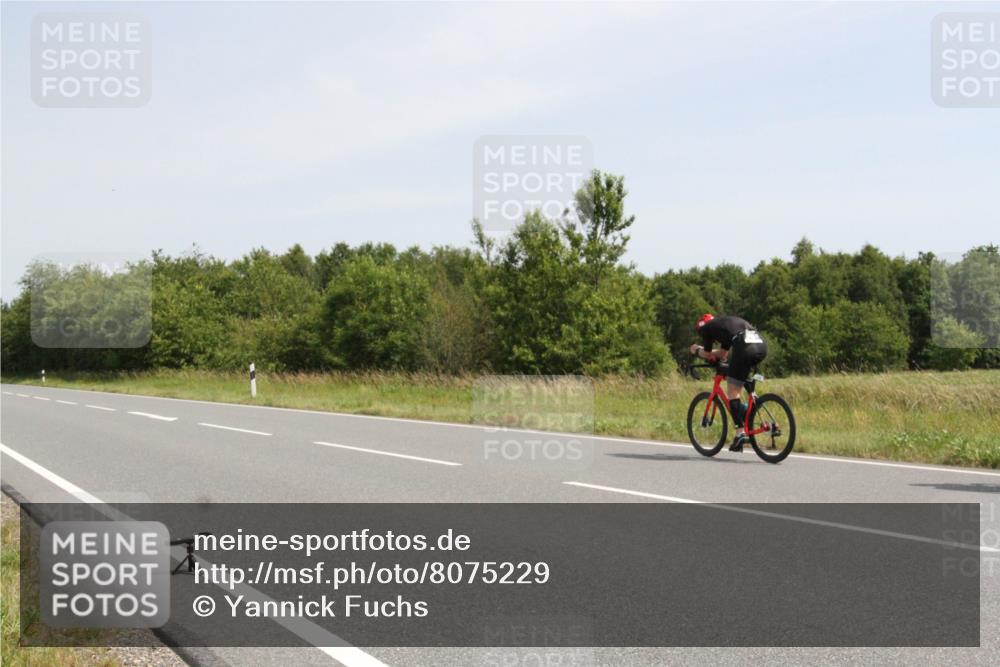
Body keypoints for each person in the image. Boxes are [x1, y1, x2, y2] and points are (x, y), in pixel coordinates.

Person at [689, 313, 768, 451]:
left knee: (732, 390)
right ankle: (746, 409)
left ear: (701, 327)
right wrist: (710, 353)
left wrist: (696, 350)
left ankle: (740, 434)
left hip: (744, 346)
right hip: (760, 346)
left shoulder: (707, 328)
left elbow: (707, 354)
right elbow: (722, 354)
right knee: (740, 378)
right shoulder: (724, 326)